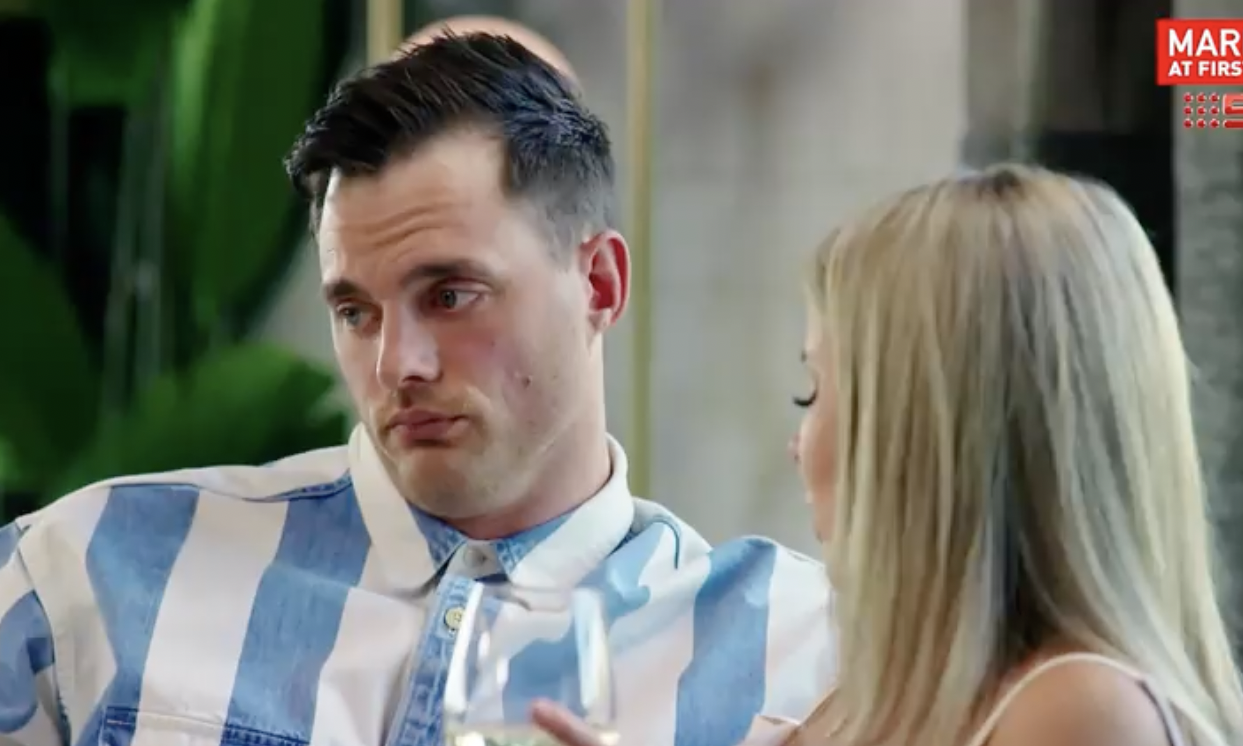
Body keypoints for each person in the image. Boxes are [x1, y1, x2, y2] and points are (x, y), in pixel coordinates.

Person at [0, 33, 833, 746]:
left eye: (450, 296)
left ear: (600, 285)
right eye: (354, 311)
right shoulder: (85, 571)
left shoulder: (800, 654)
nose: (397, 364)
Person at [533, 165, 1243, 746]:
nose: (799, 444)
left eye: (814, 391)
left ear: (923, 433)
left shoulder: (1079, 711)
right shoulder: (878, 700)